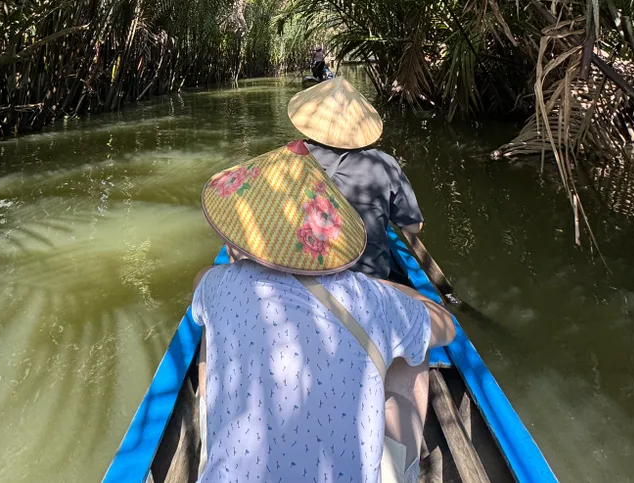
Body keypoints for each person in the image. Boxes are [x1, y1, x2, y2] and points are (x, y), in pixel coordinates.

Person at [193, 144, 454, 483]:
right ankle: (405, 471)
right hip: (375, 294)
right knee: (415, 354)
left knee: (208, 334)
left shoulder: (218, 285)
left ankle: (207, 448)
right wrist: (396, 290)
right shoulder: (370, 296)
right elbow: (446, 327)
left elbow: (201, 279)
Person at [287, 76, 423, 280]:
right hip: (369, 280)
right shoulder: (384, 163)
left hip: (305, 275)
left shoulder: (291, 157)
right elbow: (413, 227)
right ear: (360, 126)